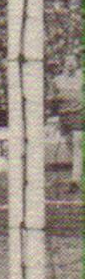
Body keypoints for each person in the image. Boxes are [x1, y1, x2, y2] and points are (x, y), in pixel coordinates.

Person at [50, 54, 82, 193]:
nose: (70, 64)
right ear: (64, 63)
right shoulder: (57, 80)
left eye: (73, 62)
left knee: (77, 146)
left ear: (77, 64)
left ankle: (75, 181)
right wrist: (56, 99)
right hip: (64, 117)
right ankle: (78, 173)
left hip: (79, 115)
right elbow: (51, 98)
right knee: (71, 147)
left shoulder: (82, 77)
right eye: (68, 61)